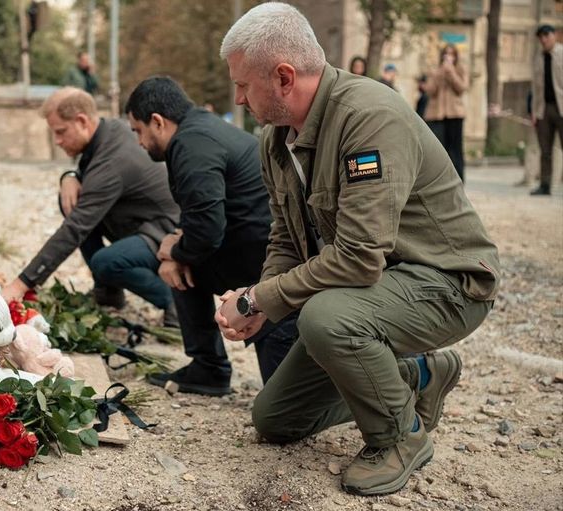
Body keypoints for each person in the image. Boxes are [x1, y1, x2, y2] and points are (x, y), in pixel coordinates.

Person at [216, 2, 500, 497]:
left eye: (243, 85)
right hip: (374, 291)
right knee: (275, 418)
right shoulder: (275, 140)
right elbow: (286, 237)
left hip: (447, 282)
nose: (238, 98)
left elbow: (359, 257)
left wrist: (257, 298)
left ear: (283, 77)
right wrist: (260, 302)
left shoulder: (369, 117)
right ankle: (416, 376)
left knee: (325, 318)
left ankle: (400, 438)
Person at [124, 76, 299, 394]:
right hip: (257, 250)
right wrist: (178, 245)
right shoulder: (201, 129)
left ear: (158, 122)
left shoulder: (190, 145)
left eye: (138, 130)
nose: (138, 142)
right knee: (183, 262)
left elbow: (205, 231)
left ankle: (210, 367)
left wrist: (172, 253)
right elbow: (200, 215)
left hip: (269, 267)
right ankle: (208, 368)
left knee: (285, 407)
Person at [1, 87, 180, 327]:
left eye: (61, 132)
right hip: (139, 224)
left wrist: (21, 284)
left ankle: (176, 303)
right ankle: (108, 292)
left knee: (105, 262)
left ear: (82, 121)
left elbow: (75, 229)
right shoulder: (108, 132)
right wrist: (69, 176)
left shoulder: (113, 160)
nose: (57, 141)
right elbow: (89, 177)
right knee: (71, 199)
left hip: (166, 233)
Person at [422, 45, 468, 181]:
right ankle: (440, 181)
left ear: (455, 57)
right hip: (436, 115)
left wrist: (451, 72)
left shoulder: (460, 69)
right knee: (439, 150)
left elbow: (461, 88)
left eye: (451, 54)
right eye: (446, 54)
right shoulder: (436, 71)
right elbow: (430, 91)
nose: (448, 57)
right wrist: (440, 73)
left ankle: (459, 180)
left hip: (455, 115)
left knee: (456, 149)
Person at [529, 24, 562, 196]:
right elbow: (535, 88)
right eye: (540, 37)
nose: (543, 39)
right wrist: (534, 112)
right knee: (545, 150)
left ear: (554, 35)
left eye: (546, 35)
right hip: (543, 109)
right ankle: (545, 185)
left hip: (561, 107)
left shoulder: (562, 54)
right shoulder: (538, 58)